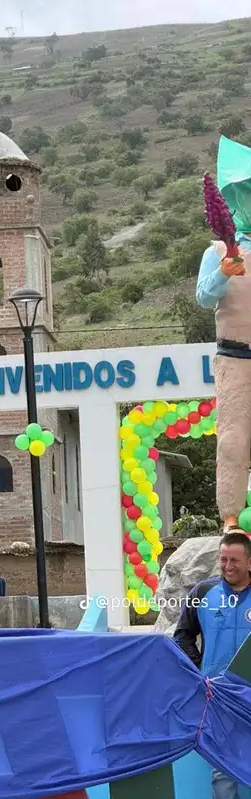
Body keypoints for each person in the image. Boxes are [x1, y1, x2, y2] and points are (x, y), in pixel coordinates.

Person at [196, 134, 251, 530]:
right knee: (232, 442)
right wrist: (221, 272)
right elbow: (202, 296)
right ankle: (230, 521)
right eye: (240, 191)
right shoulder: (216, 251)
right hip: (233, 357)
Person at [173, 530, 251, 799]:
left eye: (234, 561)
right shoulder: (203, 592)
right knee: (222, 768)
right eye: (223, 560)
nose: (228, 566)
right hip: (218, 696)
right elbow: (182, 635)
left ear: (249, 562)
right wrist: (201, 670)